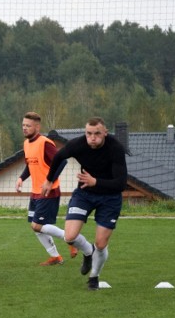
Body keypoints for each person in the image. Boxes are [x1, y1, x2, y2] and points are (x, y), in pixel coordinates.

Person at [40, 117, 127, 290]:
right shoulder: (78, 145)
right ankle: (88, 252)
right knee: (69, 236)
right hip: (84, 194)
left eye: (97, 134)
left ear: (105, 133)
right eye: (89, 133)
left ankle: (94, 277)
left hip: (110, 198)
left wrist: (96, 182)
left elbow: (121, 183)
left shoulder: (115, 148)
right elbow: (58, 156)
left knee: (101, 244)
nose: (92, 137)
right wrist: (49, 180)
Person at [14, 111, 77, 265]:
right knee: (35, 226)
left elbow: (61, 162)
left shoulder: (45, 143)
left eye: (28, 126)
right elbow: (30, 165)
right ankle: (55, 256)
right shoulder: (26, 144)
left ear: (37, 126)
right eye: (23, 125)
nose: (24, 128)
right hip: (36, 192)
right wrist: (21, 178)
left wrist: (49, 181)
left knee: (37, 225)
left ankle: (70, 239)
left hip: (49, 191)